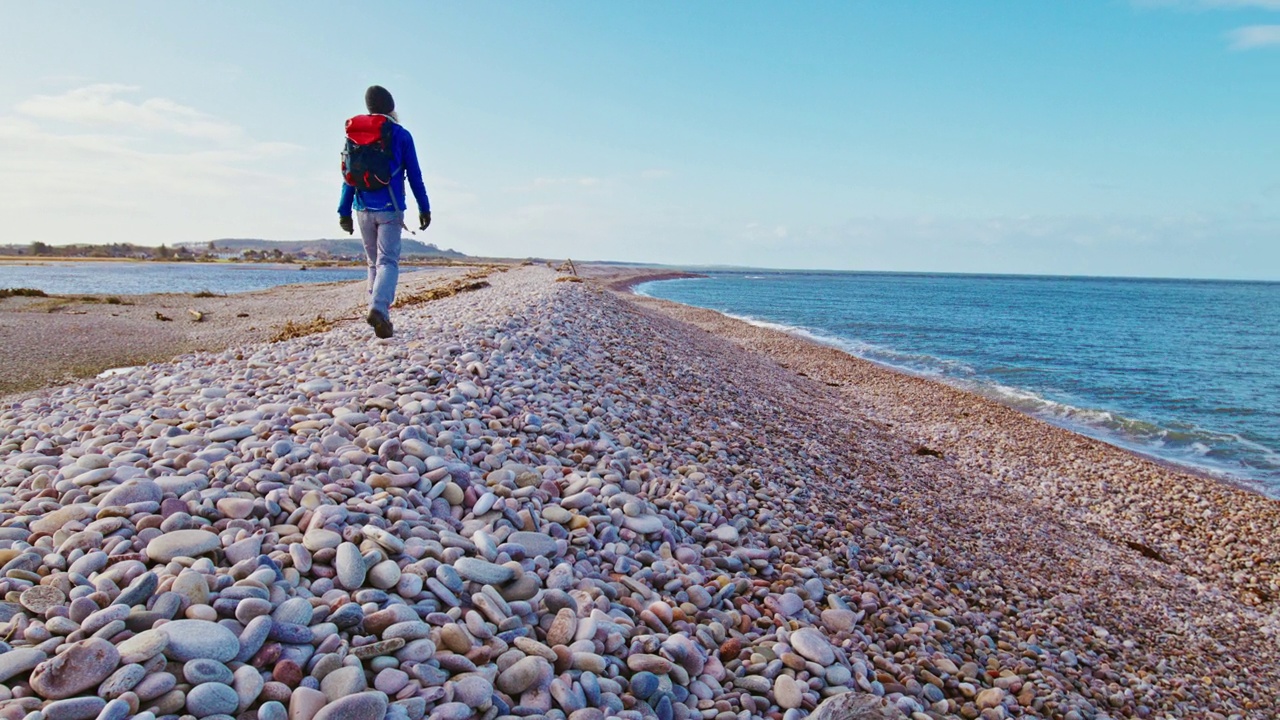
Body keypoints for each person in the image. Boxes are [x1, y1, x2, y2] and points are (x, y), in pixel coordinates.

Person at [338, 85, 431, 338]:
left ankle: (378, 312)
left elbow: (348, 177)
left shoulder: (354, 135)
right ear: (391, 107)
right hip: (390, 208)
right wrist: (425, 208)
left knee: (373, 263)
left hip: (362, 208)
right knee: (387, 261)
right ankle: (379, 309)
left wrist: (344, 212)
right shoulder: (401, 135)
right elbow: (414, 176)